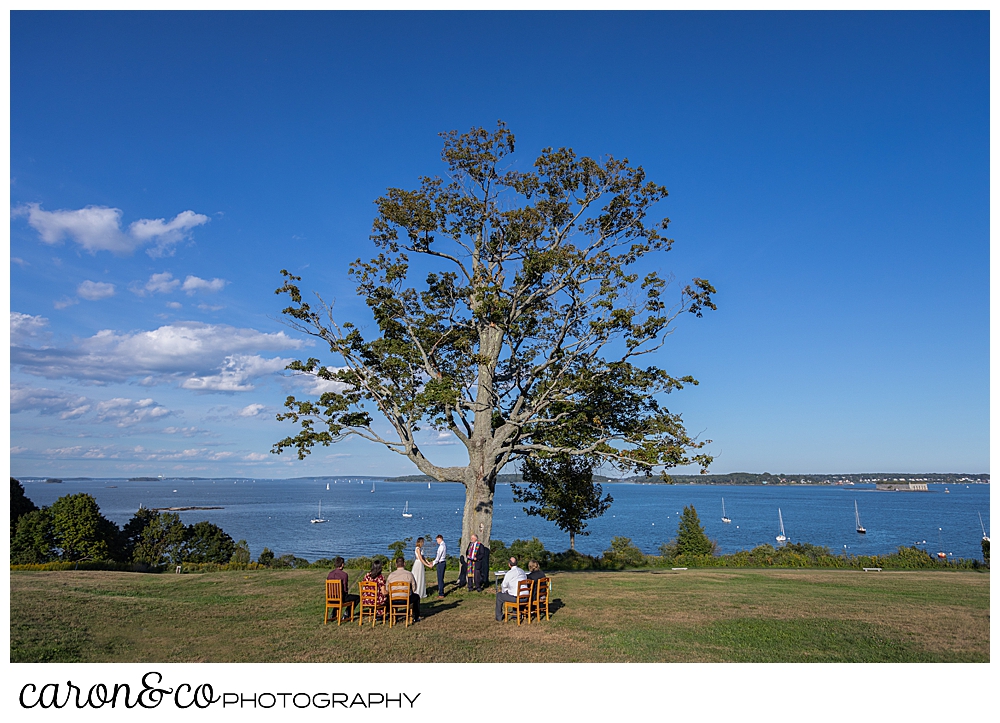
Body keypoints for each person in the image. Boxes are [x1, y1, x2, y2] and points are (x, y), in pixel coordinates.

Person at [386, 556, 421, 622]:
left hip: (393, 600)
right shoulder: (409, 574)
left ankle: (392, 616)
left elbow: (387, 589)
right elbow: (414, 588)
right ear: (404, 564)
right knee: (416, 597)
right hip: (406, 599)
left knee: (389, 597)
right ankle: (416, 616)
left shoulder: (391, 575)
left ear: (396, 565)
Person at [495, 556, 527, 621]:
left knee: (499, 595)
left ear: (509, 564)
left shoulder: (509, 573)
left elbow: (504, 585)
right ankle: (516, 614)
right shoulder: (522, 571)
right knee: (513, 592)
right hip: (525, 597)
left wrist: (505, 591)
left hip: (516, 598)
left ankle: (499, 617)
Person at [431, 534, 447, 599]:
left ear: (440, 539)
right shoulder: (444, 545)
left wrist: (433, 563)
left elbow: (438, 557)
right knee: (441, 578)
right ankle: (441, 592)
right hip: (442, 562)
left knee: (440, 579)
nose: (437, 541)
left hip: (440, 563)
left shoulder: (441, 546)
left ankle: (441, 593)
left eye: (437, 540)